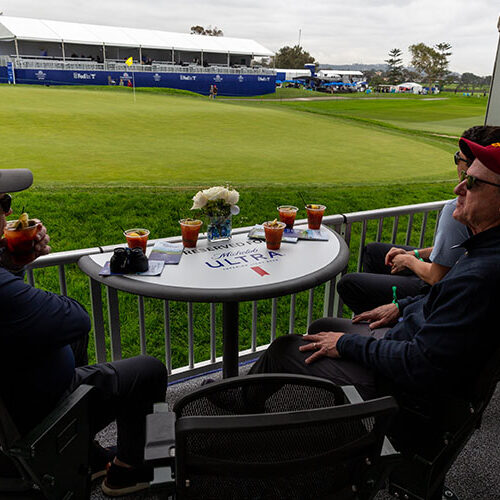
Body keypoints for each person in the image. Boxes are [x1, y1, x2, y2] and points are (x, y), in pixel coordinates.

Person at [249, 137, 500, 403]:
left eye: (472, 183)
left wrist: (345, 344)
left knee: (283, 348)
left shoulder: (481, 275)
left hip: (398, 384)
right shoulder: (483, 251)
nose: (458, 188)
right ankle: (337, 405)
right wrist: (401, 307)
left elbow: (420, 362)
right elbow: (440, 298)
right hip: (403, 337)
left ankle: (237, 405)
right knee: (323, 326)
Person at [0, 169, 168, 497]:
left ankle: (85, 454)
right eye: (2, 204)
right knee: (149, 370)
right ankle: (127, 471)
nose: (7, 213)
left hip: (16, 387)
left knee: (70, 340)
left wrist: (14, 264)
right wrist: (11, 267)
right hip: (39, 415)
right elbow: (77, 317)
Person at [338, 126, 500, 315]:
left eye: (459, 158)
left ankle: (378, 325)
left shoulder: (459, 210)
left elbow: (437, 277)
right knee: (373, 252)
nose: (459, 188)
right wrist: (416, 253)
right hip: (448, 279)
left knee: (349, 284)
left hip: (433, 290)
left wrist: (408, 261)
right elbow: (457, 249)